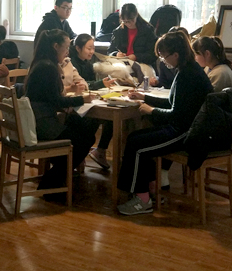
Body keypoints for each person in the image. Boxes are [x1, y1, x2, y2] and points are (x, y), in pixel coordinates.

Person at [116, 31, 213, 215]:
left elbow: (176, 114)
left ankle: (142, 199)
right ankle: (150, 191)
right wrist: (145, 97)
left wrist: (150, 110)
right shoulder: (187, 69)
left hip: (186, 133)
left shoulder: (188, 75)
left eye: (163, 56)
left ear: (175, 55)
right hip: (183, 127)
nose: (162, 60)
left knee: (138, 145)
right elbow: (173, 103)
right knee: (135, 138)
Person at [24, 60, 97, 191]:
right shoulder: (48, 68)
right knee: (85, 140)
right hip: (43, 125)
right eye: (65, 48)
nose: (67, 52)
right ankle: (50, 181)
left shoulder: (39, 65)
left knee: (79, 126)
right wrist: (82, 99)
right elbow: (57, 100)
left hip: (35, 121)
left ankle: (59, 173)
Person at [69, 33, 117, 170]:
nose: (91, 51)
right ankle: (80, 154)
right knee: (91, 121)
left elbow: (89, 83)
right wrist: (100, 83)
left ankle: (100, 150)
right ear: (78, 48)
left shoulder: (88, 63)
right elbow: (82, 85)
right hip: (76, 105)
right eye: (88, 48)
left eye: (93, 48)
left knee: (111, 119)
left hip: (89, 100)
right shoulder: (72, 63)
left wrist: (101, 84)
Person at [33, 29, 87, 94]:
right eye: (66, 47)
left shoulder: (66, 62)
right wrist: (80, 98)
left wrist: (81, 85)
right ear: (56, 46)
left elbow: (80, 80)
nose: (68, 52)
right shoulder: (46, 67)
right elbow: (55, 97)